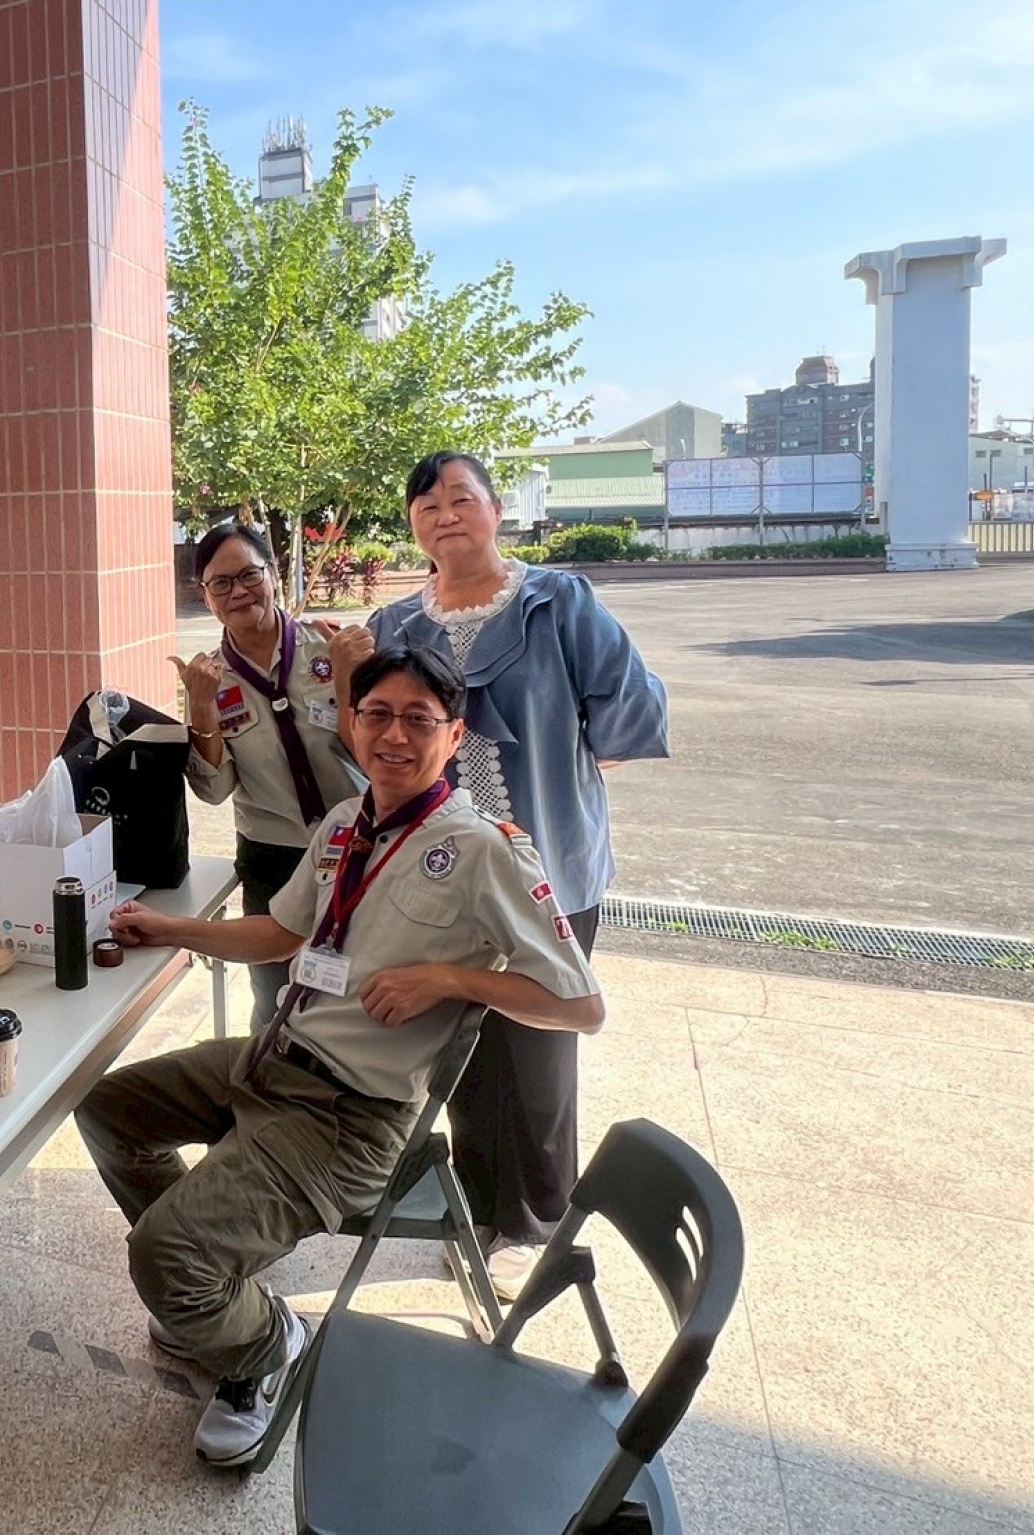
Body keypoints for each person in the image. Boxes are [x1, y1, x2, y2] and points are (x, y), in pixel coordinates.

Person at [77, 645, 604, 1468]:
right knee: (107, 1108)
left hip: (348, 1117)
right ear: (352, 723)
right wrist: (171, 928)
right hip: (274, 1058)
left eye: (418, 719)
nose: (393, 735)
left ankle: (261, 1345)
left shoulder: (485, 850)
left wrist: (449, 978)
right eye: (377, 714)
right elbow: (283, 932)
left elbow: (581, 1005)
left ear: (454, 734)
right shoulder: (342, 825)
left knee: (163, 1253)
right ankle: (210, 1288)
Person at [332, 450, 668, 1301]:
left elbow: (627, 707)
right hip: (445, 869)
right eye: (426, 503)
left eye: (461, 497)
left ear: (495, 509)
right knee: (463, 1049)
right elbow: (374, 742)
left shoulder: (558, 602)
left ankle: (539, 1223)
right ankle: (482, 1206)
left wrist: (572, 767)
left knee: (541, 1047)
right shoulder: (395, 623)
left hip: (545, 865)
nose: (444, 514)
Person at [174, 521, 365, 1031]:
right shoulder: (208, 678)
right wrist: (200, 708)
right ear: (205, 596)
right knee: (275, 1001)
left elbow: (375, 756)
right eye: (221, 583)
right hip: (273, 860)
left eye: (248, 575)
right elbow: (214, 790)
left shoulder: (330, 648)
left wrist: (350, 678)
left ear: (273, 574)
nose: (238, 592)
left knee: (360, 993)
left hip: (358, 846)